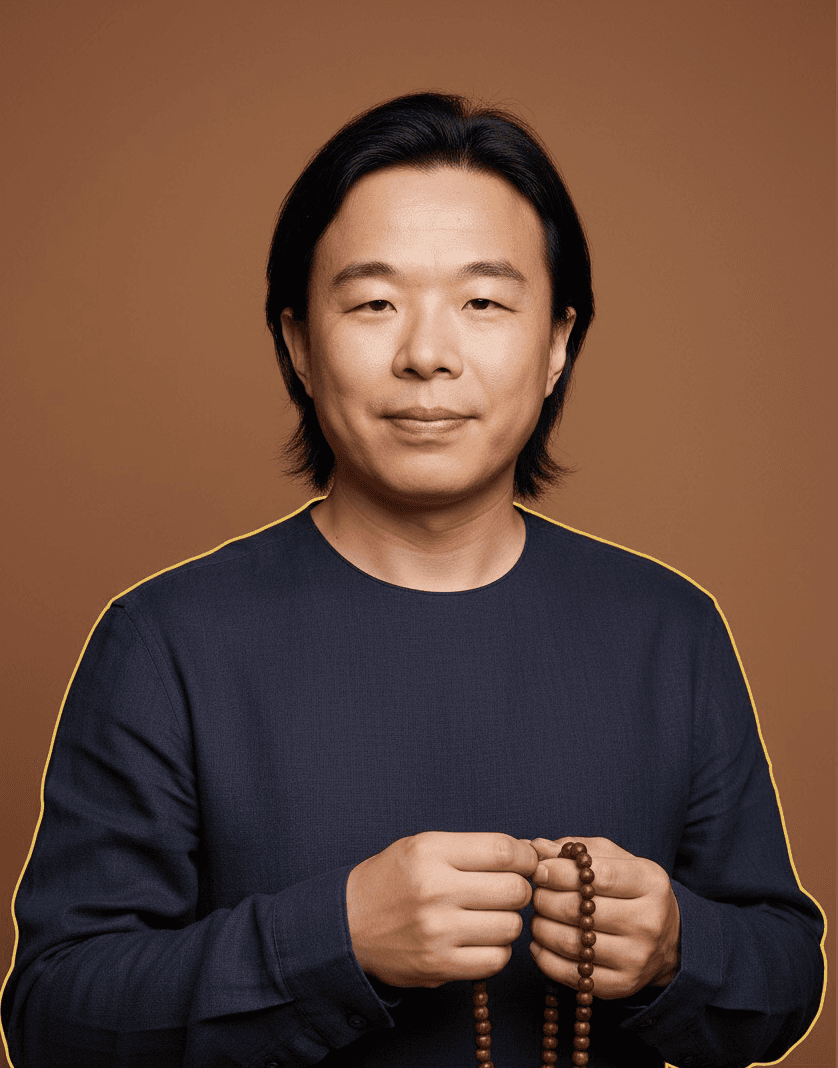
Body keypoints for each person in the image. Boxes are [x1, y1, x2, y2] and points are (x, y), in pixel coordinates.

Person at [0, 91, 825, 1068]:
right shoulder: (164, 641)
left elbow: (784, 975)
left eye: (483, 303)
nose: (426, 356)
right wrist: (333, 941)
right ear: (300, 345)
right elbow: (54, 1018)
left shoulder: (670, 629)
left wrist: (678, 949)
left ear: (557, 343)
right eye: (374, 303)